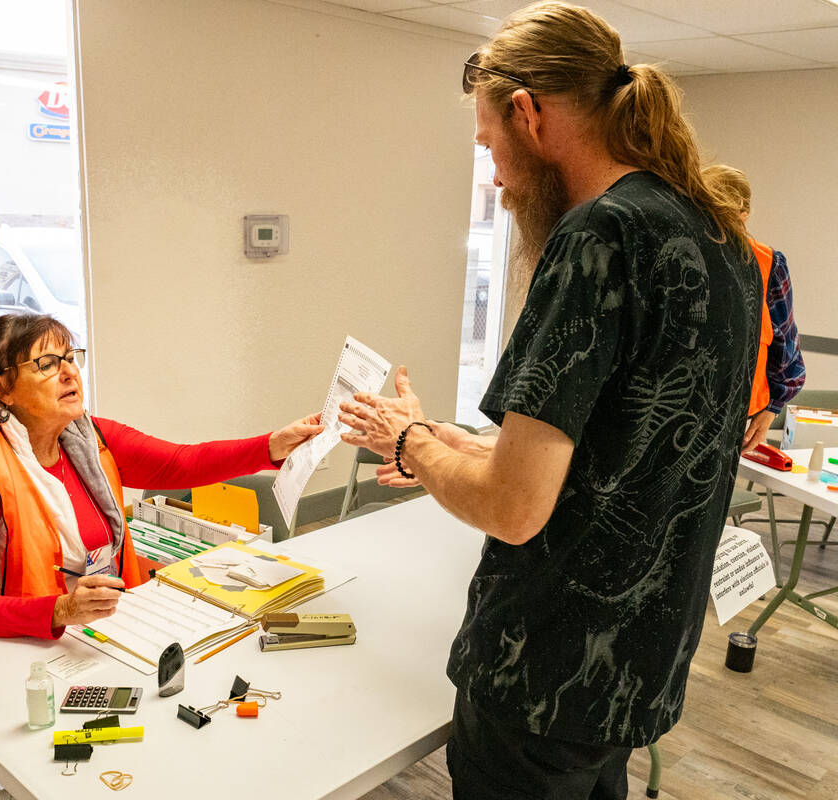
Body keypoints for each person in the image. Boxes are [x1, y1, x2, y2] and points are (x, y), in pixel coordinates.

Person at [337, 3, 760, 798]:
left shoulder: (598, 237)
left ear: (528, 113)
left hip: (543, 677)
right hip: (637, 665)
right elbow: (619, 454)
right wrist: (443, 441)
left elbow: (514, 509)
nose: (494, 173)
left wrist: (407, 444)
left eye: (489, 143)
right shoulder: (714, 233)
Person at [0, 312, 322, 650]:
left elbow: (180, 464)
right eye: (46, 364)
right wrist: (60, 611)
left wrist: (272, 446)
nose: (68, 372)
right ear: (1, 388)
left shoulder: (87, 436)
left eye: (70, 357)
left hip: (89, 626)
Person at [702, 164, 805, 450]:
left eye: (719, 215)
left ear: (743, 216)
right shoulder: (678, 255)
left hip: (730, 416)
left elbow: (788, 352)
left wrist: (771, 408)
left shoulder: (768, 264)